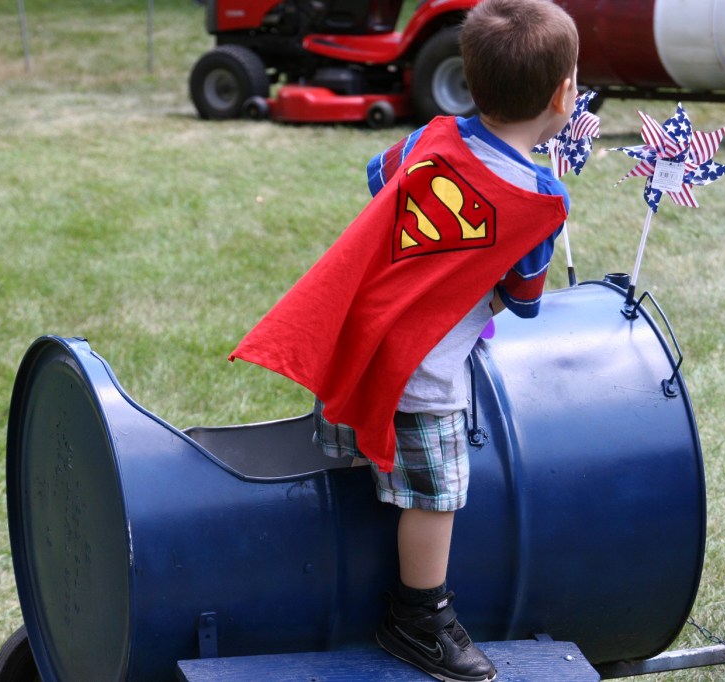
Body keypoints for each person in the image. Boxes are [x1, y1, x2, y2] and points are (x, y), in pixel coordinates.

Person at [230, 0, 579, 679]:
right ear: (564, 95)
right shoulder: (539, 200)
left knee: (356, 469)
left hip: (353, 346)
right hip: (421, 377)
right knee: (437, 496)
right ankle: (419, 617)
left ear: (469, 78)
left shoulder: (430, 138)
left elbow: (380, 179)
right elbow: (525, 299)